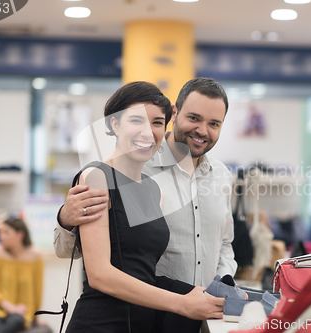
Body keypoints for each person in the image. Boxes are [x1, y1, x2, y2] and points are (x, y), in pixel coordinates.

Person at [54, 77, 236, 332]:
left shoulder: (212, 177)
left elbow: (224, 243)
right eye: (194, 118)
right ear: (176, 113)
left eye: (214, 124)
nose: (203, 130)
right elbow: (91, 262)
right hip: (134, 318)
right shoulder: (122, 172)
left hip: (184, 317)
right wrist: (66, 218)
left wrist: (219, 288)